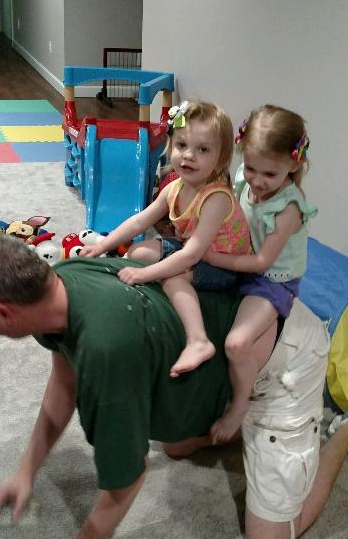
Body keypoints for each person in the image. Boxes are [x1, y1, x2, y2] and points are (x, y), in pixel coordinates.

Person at [0, 236, 348, 539]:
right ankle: (240, 417)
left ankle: (345, 430)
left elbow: (126, 481)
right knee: (176, 443)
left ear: (2, 314)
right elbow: (64, 381)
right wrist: (26, 471)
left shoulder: (106, 348)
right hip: (232, 356)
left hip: (285, 359)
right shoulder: (57, 284)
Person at [79, 100, 251, 377]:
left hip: (222, 264)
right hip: (192, 247)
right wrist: (102, 246)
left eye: (203, 150)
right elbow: (140, 221)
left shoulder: (216, 198)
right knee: (138, 252)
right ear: (171, 146)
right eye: (181, 145)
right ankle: (161, 282)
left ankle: (198, 341)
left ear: (220, 159)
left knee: (172, 278)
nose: (188, 156)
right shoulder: (174, 187)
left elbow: (192, 255)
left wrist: (146, 275)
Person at [205, 104, 318, 443]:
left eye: (269, 174)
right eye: (251, 168)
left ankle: (240, 405)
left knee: (237, 344)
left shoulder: (288, 208)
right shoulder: (244, 177)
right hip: (240, 257)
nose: (256, 180)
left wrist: (211, 256)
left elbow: (262, 263)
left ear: (294, 164)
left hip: (272, 281)